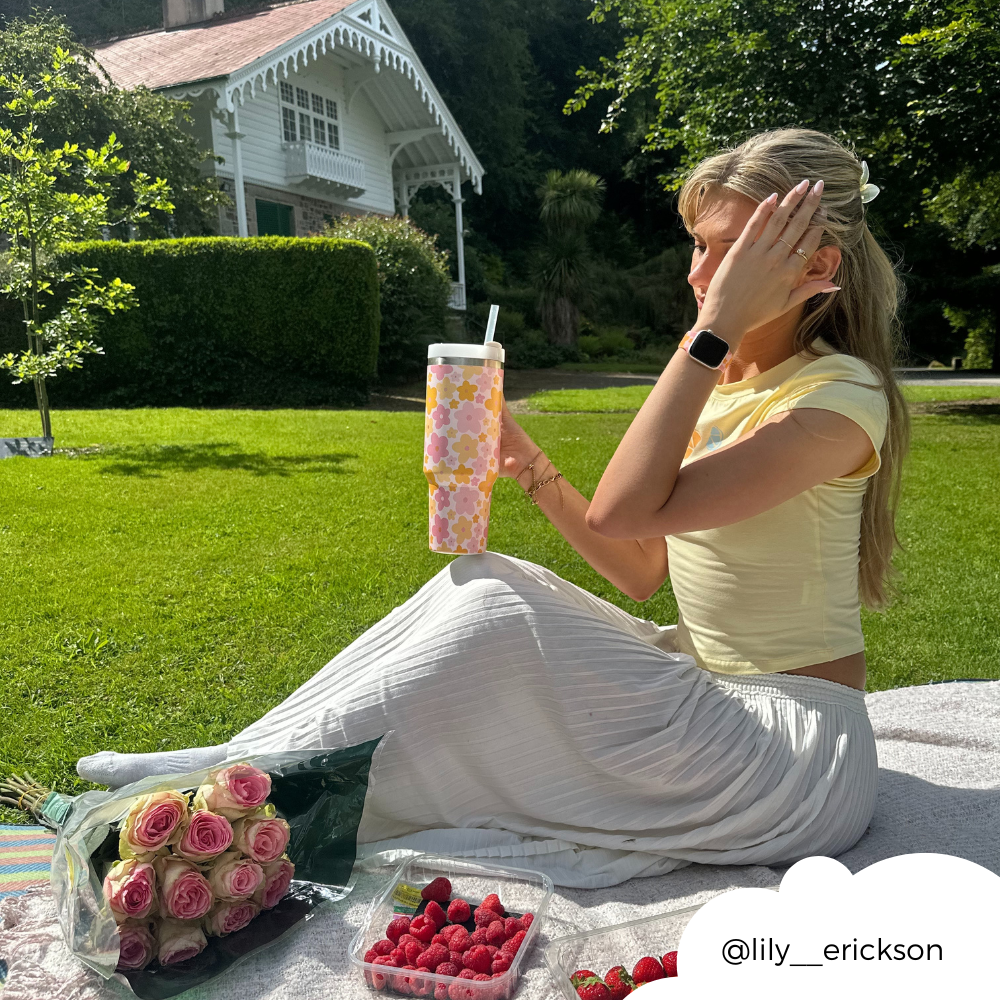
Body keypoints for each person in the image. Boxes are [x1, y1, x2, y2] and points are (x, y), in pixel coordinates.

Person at [78, 129, 909, 888]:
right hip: (714, 701)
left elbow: (623, 510)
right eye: (698, 246)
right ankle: (244, 764)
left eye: (730, 256)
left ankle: (248, 774)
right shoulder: (729, 378)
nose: (700, 277)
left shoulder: (838, 399)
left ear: (813, 268)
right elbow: (645, 567)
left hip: (790, 753)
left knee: (501, 621)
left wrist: (715, 328)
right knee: (485, 580)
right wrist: (527, 463)